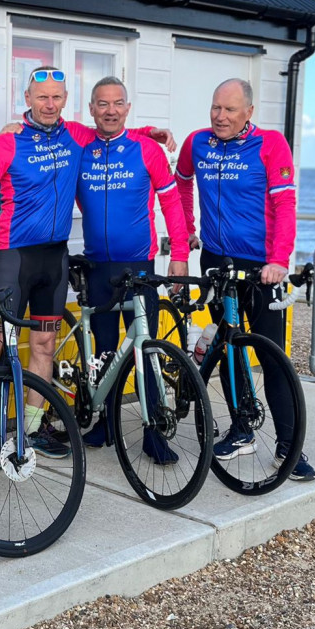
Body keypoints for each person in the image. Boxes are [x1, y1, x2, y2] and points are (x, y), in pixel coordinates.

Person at [0, 66, 174, 461]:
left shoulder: (75, 133)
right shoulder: (10, 141)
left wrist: (151, 132)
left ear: (67, 100)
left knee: (44, 345)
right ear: (27, 100)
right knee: (3, 344)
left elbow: (114, 130)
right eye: (42, 97)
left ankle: (32, 428)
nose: (49, 104)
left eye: (56, 97)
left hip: (54, 259)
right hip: (16, 257)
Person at [175, 77, 315, 480]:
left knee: (272, 356)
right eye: (215, 108)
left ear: (249, 112)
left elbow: (285, 204)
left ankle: (288, 446)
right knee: (229, 347)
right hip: (216, 259)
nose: (220, 116)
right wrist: (187, 227)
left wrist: (278, 259)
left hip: (261, 265)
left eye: (230, 109)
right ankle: (241, 430)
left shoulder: (271, 145)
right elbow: (181, 182)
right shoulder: (197, 142)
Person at [76, 77, 190, 455]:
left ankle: (154, 434)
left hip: (138, 265)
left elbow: (172, 203)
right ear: (91, 109)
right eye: (102, 104)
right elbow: (48, 126)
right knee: (105, 349)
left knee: (147, 349)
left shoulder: (146, 150)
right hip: (97, 266)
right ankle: (105, 425)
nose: (110, 110)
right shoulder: (80, 145)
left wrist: (179, 256)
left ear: (128, 107)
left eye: (117, 104)